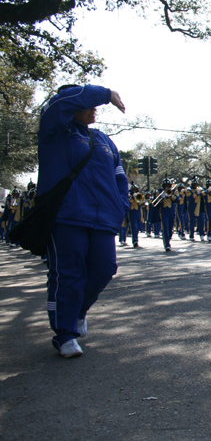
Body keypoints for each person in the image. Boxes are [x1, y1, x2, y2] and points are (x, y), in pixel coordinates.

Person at [37, 84, 128, 358]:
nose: (95, 109)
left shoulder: (102, 139)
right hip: (67, 216)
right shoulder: (54, 132)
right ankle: (65, 334)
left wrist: (120, 207)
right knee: (69, 274)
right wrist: (106, 92)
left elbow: (119, 178)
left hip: (102, 219)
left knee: (104, 269)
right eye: (89, 104)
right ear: (73, 106)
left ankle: (79, 312)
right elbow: (59, 105)